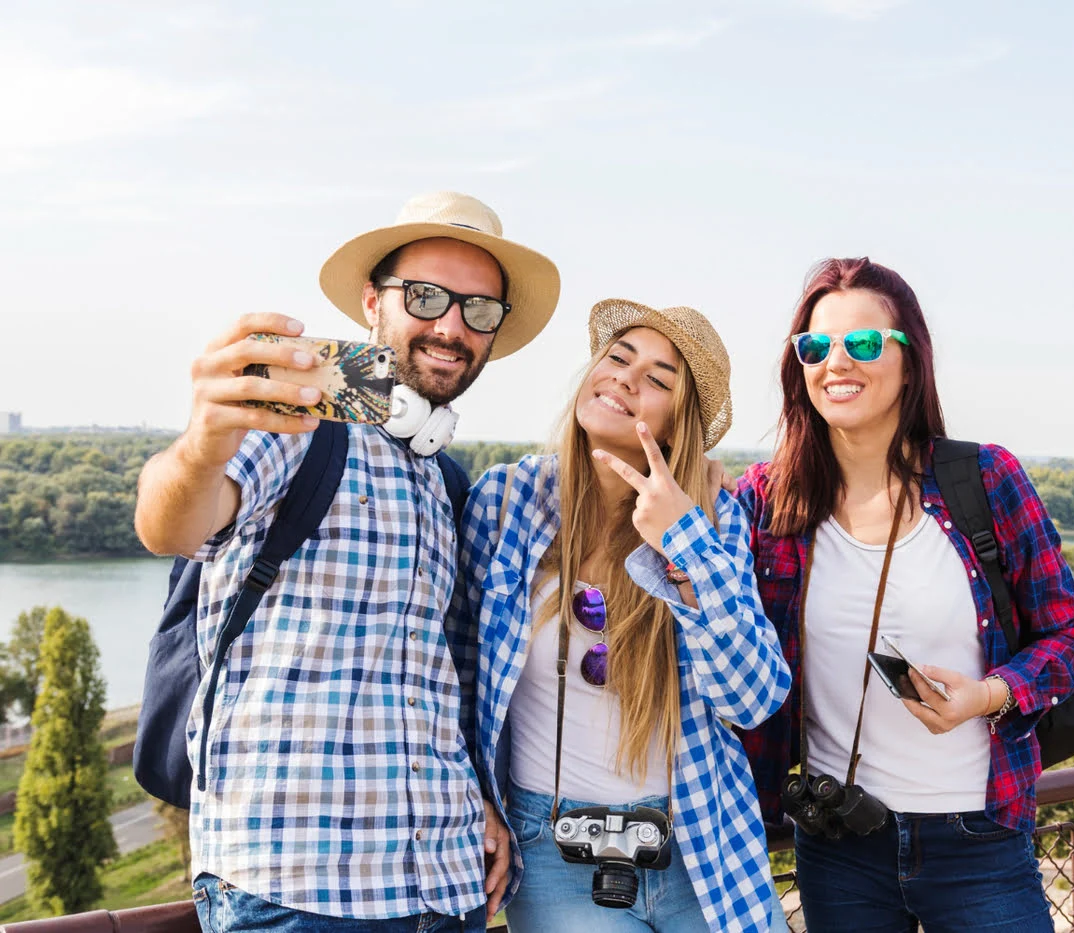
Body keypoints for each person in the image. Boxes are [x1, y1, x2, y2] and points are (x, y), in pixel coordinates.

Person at [133, 191, 560, 933]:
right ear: (372, 302)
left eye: (479, 309)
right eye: (425, 296)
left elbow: (433, 683)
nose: (450, 326)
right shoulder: (297, 426)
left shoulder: (445, 481)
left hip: (446, 888)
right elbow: (170, 524)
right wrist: (202, 444)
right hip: (300, 892)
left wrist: (479, 800)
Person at [736, 258, 1074, 933]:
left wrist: (986, 695)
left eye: (863, 342)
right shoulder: (767, 500)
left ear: (911, 363)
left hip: (979, 837)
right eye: (815, 346)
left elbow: (1073, 634)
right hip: (838, 843)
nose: (837, 362)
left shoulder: (984, 479)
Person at [461, 299, 792, 933]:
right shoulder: (506, 501)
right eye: (618, 357)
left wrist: (684, 543)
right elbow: (458, 668)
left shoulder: (713, 520)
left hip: (700, 842)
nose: (626, 377)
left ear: (675, 427)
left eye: (658, 379)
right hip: (553, 850)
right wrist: (475, 797)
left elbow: (753, 698)